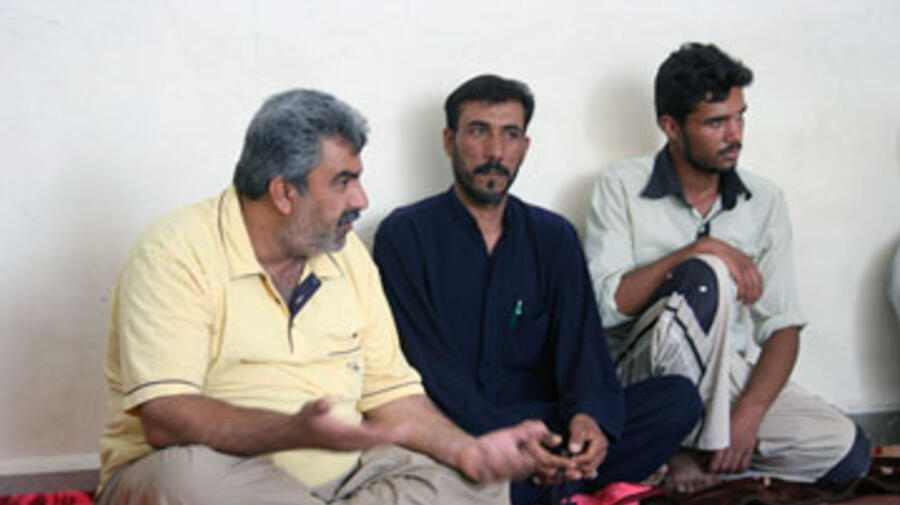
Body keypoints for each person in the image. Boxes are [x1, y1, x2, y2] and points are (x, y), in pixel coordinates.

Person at [97, 89, 554, 505]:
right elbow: (166, 418)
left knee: (478, 484)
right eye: (343, 181)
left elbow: (393, 396)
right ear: (283, 193)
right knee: (187, 479)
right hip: (223, 476)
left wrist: (469, 451)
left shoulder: (347, 255)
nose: (361, 199)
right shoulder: (175, 251)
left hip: (347, 477)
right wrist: (291, 432)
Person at [373, 74, 702, 505]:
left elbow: (583, 352)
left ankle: (552, 477)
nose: (495, 152)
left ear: (525, 147)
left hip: (545, 428)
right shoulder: (406, 235)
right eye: (478, 131)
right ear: (449, 140)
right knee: (427, 460)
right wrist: (509, 443)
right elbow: (426, 369)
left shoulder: (553, 238)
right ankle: (555, 481)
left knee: (677, 400)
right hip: (455, 432)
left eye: (510, 134)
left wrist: (589, 420)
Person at [583, 43, 871, 493]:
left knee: (846, 454)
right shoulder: (620, 185)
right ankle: (677, 447)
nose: (735, 134)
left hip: (726, 375)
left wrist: (748, 415)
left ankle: (695, 455)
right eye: (716, 122)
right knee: (707, 273)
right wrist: (700, 250)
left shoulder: (764, 200)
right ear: (671, 127)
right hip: (642, 374)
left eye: (740, 117)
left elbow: (782, 326)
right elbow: (606, 306)